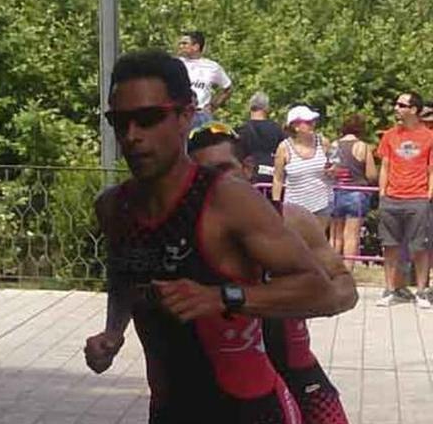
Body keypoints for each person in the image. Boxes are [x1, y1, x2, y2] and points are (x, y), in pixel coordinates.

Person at [83, 50, 348, 423]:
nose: (132, 136)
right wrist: (113, 331)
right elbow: (124, 273)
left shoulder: (227, 199)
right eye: (120, 121)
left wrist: (222, 297)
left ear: (185, 115)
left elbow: (320, 291)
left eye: (148, 119)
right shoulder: (114, 207)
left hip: (247, 411)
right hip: (169, 411)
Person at [187, 121, 354, 424]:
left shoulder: (293, 220)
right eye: (204, 175)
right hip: (225, 385)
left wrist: (305, 299)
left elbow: (345, 290)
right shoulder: (186, 234)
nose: (216, 183)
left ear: (247, 168)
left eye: (225, 170)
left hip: (298, 372)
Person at [376, 92, 433, 308]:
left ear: (414, 110)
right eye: (396, 104)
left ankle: (421, 292)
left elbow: (431, 169)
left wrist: (428, 194)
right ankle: (391, 290)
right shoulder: (390, 135)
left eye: (401, 105)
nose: (396, 108)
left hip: (418, 198)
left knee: (420, 247)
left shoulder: (429, 136)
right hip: (391, 198)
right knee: (390, 246)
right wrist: (382, 192)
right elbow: (385, 166)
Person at [328, 114, 378, 270]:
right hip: (357, 192)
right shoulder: (362, 147)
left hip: (336, 191)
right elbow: (371, 174)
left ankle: (333, 268)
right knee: (352, 235)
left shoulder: (334, 145)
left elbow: (328, 169)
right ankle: (347, 270)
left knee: (335, 234)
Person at [272, 105, 333, 229]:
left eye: (313, 121)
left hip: (322, 203)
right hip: (295, 207)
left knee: (318, 244)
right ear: (295, 126)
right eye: (308, 122)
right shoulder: (284, 148)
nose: (313, 124)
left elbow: (333, 167)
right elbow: (278, 179)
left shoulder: (323, 142)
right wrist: (276, 205)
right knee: (297, 243)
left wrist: (333, 171)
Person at [176, 31, 232, 128]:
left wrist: (214, 105)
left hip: (201, 115)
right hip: (181, 113)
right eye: (180, 43)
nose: (181, 46)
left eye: (185, 43)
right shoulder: (176, 64)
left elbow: (227, 88)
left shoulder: (212, 67)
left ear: (196, 46)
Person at [237, 92, 285, 184]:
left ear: (249, 108)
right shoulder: (277, 129)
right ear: (266, 108)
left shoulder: (241, 131)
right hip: (273, 175)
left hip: (249, 177)